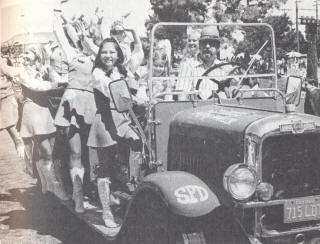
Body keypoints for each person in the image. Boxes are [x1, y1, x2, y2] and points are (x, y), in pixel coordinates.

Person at [0, 46, 68, 201]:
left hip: (46, 110)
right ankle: (55, 186)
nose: (24, 56)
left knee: (48, 148)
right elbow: (36, 86)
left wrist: (58, 79)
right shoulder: (22, 71)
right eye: (23, 53)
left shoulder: (44, 68)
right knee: (46, 150)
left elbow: (54, 78)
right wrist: (58, 84)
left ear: (37, 54)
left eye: (27, 53)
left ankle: (45, 181)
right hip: (34, 111)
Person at [87, 37, 141, 228]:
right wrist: (130, 91)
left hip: (124, 120)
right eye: (104, 52)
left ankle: (133, 187)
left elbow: (136, 89)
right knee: (105, 166)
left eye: (112, 52)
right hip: (105, 121)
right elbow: (112, 91)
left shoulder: (122, 70)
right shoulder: (97, 73)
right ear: (99, 55)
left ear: (118, 54)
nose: (108, 55)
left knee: (138, 142)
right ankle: (106, 212)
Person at [53, 13, 97, 213]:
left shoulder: (99, 54)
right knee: (76, 153)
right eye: (77, 30)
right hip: (72, 107)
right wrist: (57, 15)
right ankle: (78, 197)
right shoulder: (71, 54)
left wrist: (90, 38)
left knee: (93, 154)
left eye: (84, 29)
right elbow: (59, 34)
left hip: (93, 106)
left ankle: (93, 192)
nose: (80, 33)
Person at [0, 61, 24, 159]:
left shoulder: (1, 63)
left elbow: (13, 71)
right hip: (3, 97)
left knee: (7, 121)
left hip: (6, 96)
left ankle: (18, 141)